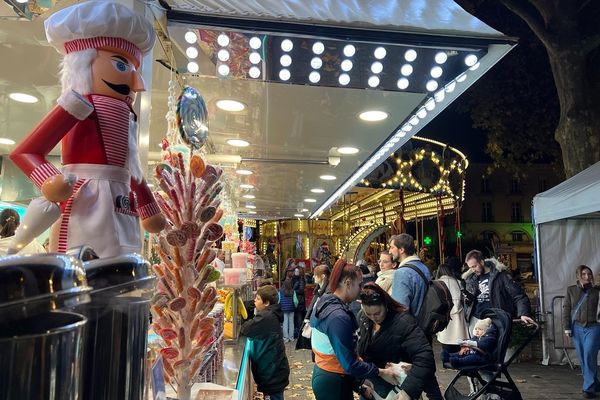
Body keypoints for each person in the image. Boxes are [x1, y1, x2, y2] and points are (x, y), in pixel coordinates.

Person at [9, 1, 165, 257]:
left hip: (122, 201)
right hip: (86, 197)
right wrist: (49, 179)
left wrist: (148, 207)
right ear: (84, 61)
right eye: (122, 66)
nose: (137, 83)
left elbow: (132, 168)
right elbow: (27, 151)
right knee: (82, 265)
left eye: (136, 69)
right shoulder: (76, 103)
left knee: (123, 269)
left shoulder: (128, 117)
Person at [310, 259, 395, 399]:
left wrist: (358, 383)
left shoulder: (325, 302)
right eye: (359, 284)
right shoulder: (338, 316)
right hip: (334, 381)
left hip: (327, 375)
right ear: (348, 283)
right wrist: (380, 372)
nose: (361, 290)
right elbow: (349, 363)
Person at [357, 283, 439, 400]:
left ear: (385, 305)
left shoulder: (404, 322)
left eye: (377, 313)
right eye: (368, 313)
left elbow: (424, 358)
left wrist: (408, 392)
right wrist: (362, 379)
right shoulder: (363, 318)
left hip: (399, 385)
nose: (373, 318)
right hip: (371, 383)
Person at [463, 250, 535, 330]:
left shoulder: (501, 275)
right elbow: (468, 302)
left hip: (496, 319)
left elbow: (518, 295)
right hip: (476, 319)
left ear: (482, 262)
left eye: (474, 266)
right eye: (470, 267)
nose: (473, 270)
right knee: (474, 343)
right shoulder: (470, 278)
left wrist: (523, 314)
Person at [241, 285, 290, 400]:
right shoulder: (271, 314)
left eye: (257, 299)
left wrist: (244, 310)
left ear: (266, 303)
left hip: (272, 374)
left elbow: (245, 329)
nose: (254, 301)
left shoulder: (266, 317)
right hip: (274, 372)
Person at [563, 265, 600, 399]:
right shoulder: (571, 290)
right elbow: (566, 309)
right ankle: (595, 383)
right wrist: (567, 328)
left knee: (589, 354)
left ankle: (588, 388)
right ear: (578, 275)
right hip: (577, 327)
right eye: (584, 274)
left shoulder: (597, 291)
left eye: (589, 274)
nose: (587, 277)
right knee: (583, 358)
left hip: (594, 327)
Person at [388, 234, 431, 319]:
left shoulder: (402, 273)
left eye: (392, 247)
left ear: (401, 250)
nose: (389, 251)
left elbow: (400, 309)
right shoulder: (424, 267)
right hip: (425, 323)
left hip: (411, 326)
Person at [436, 263, 469, 354]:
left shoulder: (437, 283)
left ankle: (447, 361)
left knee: (445, 340)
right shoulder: (458, 282)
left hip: (445, 315)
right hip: (458, 315)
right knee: (458, 339)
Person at [279, 271, 298, 342]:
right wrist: (295, 306)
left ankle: (285, 338)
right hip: (291, 309)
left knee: (285, 323)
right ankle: (291, 337)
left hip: (283, 309)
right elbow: (295, 301)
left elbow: (279, 300)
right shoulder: (293, 291)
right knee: (291, 323)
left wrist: (280, 306)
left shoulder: (280, 291)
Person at [293, 266, 307, 338]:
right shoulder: (295, 279)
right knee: (297, 316)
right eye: (295, 271)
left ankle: (299, 332)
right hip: (297, 299)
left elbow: (301, 290)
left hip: (299, 300)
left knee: (299, 316)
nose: (295, 273)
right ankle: (297, 332)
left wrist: (293, 291)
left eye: (297, 271)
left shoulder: (301, 280)